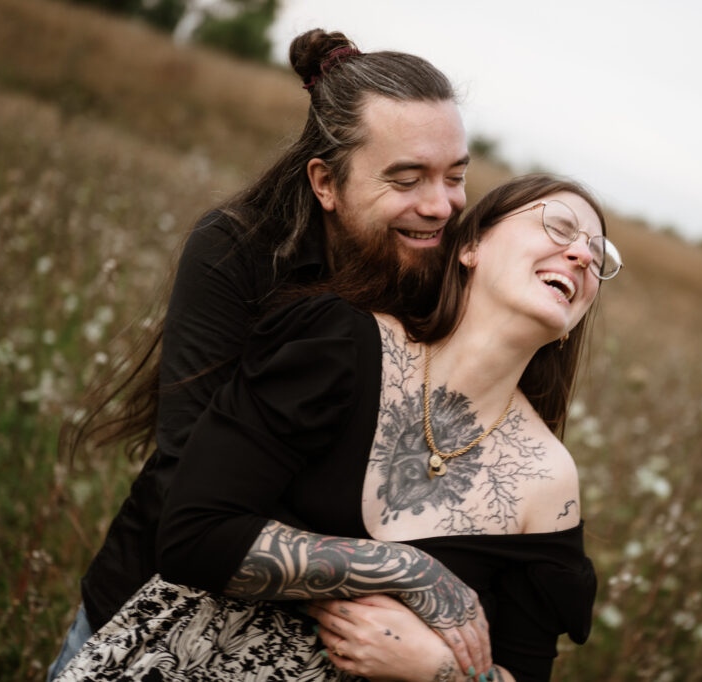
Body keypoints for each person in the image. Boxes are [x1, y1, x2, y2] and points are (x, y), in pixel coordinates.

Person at [54, 173, 623, 682]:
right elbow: (193, 536)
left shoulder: (548, 482)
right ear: (471, 246)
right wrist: (409, 569)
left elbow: (523, 672)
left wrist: (442, 672)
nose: (581, 255)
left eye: (599, 258)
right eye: (559, 227)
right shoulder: (340, 345)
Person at [48, 28, 472, 680]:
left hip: (323, 658)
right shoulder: (239, 249)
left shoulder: (447, 276)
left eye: (456, 176)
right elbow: (189, 478)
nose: (440, 205)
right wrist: (398, 573)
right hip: (156, 618)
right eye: (407, 178)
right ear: (325, 182)